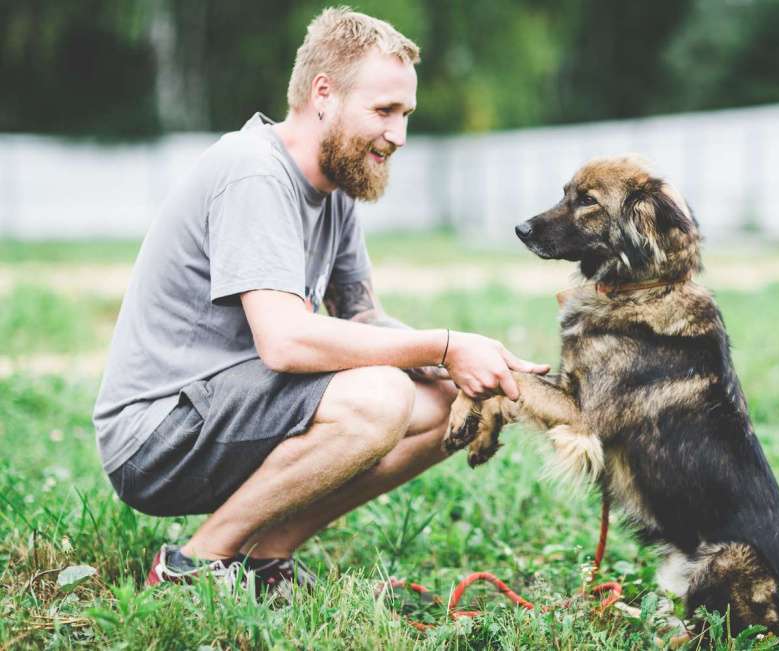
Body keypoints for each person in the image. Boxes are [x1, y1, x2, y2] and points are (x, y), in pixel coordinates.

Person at [92, 6, 547, 599]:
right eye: (384, 111)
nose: (399, 135)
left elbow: (362, 317)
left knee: (441, 404)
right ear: (323, 94)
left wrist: (464, 363)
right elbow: (284, 342)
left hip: (224, 412)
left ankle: (266, 556)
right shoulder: (253, 171)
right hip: (155, 436)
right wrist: (443, 343)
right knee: (380, 396)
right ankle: (194, 563)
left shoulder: (335, 188)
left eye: (405, 114)